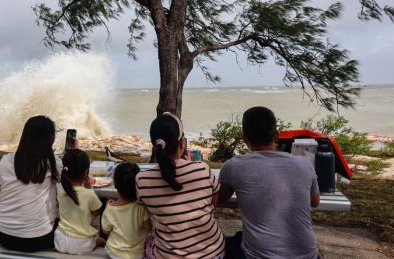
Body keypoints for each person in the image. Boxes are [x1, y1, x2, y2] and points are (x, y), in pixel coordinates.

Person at [218, 106, 320, 259]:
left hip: (259, 256)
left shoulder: (234, 166)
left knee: (217, 245)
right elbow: (315, 201)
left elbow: (220, 199)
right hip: (309, 255)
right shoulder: (304, 164)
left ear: (245, 139)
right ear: (277, 135)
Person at [136, 112, 225, 259]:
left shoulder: (141, 180)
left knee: (148, 240)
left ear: (154, 146)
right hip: (212, 253)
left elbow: (150, 210)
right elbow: (213, 203)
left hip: (167, 255)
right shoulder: (202, 169)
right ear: (182, 143)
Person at [0, 115, 61, 252]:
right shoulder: (52, 163)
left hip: (4, 236)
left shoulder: (5, 160)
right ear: (50, 139)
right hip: (38, 239)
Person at [54, 149, 106, 254]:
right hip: (82, 244)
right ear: (86, 172)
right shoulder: (89, 194)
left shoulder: (59, 187)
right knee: (102, 240)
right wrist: (89, 189)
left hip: (60, 240)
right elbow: (95, 213)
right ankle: (98, 242)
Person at [102, 162, 151, 259]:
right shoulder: (141, 206)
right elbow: (148, 228)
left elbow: (106, 230)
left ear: (115, 185)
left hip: (114, 253)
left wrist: (107, 207)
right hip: (137, 254)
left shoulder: (110, 209)